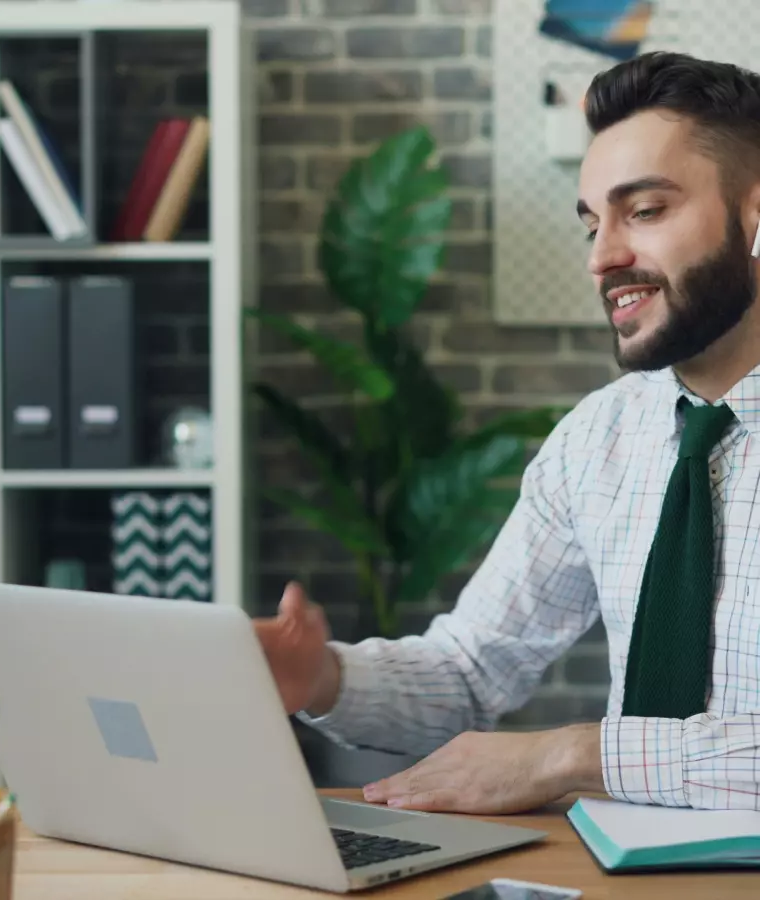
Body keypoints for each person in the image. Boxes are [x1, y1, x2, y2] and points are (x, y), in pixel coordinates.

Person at [254, 50, 760, 815]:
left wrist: (567, 757)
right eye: (593, 223)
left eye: (645, 211)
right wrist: (318, 678)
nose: (603, 257)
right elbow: (470, 669)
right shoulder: (599, 438)